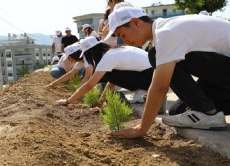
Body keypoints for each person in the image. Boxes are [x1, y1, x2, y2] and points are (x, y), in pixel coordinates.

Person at [104, 6, 230, 138]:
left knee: (155, 55)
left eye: (122, 35)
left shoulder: (166, 32)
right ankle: (207, 112)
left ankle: (209, 114)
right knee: (177, 111)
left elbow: (160, 87)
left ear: (136, 22)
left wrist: (141, 129)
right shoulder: (166, 29)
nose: (124, 42)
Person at [55, 37, 153, 108]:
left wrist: (68, 101)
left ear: (90, 52)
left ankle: (143, 92)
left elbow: (89, 85)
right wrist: (101, 102)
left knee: (107, 75)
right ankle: (144, 92)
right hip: (154, 73)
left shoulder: (107, 58)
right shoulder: (113, 51)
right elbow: (113, 81)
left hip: (151, 76)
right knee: (109, 75)